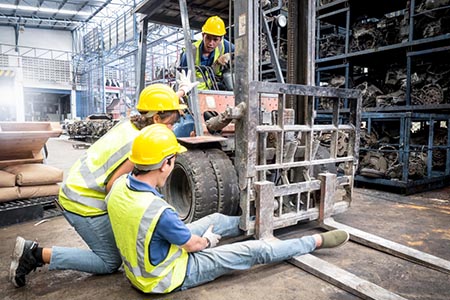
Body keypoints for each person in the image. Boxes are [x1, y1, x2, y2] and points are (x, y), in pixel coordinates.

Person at [105, 124, 350, 294]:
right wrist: (208, 241)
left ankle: (266, 220)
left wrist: (203, 235)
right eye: (173, 161)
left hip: (147, 263)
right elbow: (193, 245)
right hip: (165, 277)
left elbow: (155, 226)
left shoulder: (117, 188)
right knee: (254, 250)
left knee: (217, 219)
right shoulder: (158, 211)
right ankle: (314, 241)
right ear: (166, 163)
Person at [9, 79, 198, 288]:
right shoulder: (138, 146)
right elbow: (114, 188)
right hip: (82, 201)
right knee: (110, 261)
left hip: (78, 187)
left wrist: (180, 92)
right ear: (156, 118)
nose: (172, 129)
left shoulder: (131, 123)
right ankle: (35, 254)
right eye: (171, 124)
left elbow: (163, 109)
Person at [179, 15, 234, 91]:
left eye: (215, 40)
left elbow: (242, 52)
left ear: (221, 39)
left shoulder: (225, 46)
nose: (211, 43)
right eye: (208, 38)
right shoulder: (190, 53)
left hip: (214, 90)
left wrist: (230, 55)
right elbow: (183, 79)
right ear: (203, 35)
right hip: (194, 94)